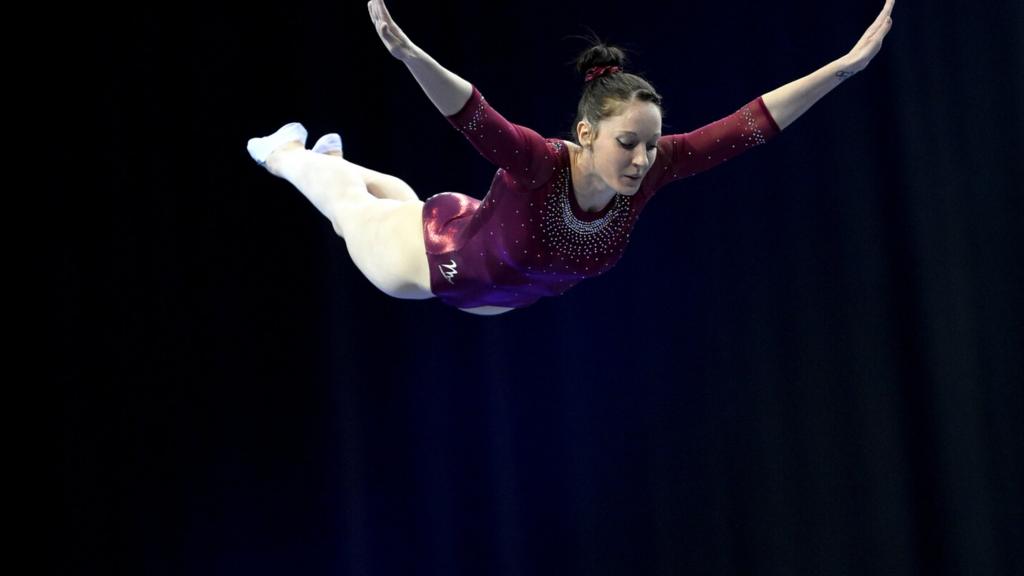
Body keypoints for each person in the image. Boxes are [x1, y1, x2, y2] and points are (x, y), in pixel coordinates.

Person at [247, 0, 895, 316]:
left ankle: (333, 160)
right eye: (627, 143)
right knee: (343, 207)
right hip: (427, 266)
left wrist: (842, 69)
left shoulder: (656, 170)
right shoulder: (536, 163)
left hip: (484, 265)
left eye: (649, 144)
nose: (642, 159)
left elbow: (750, 125)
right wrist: (413, 57)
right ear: (585, 134)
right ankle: (285, 153)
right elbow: (473, 113)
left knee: (389, 198)